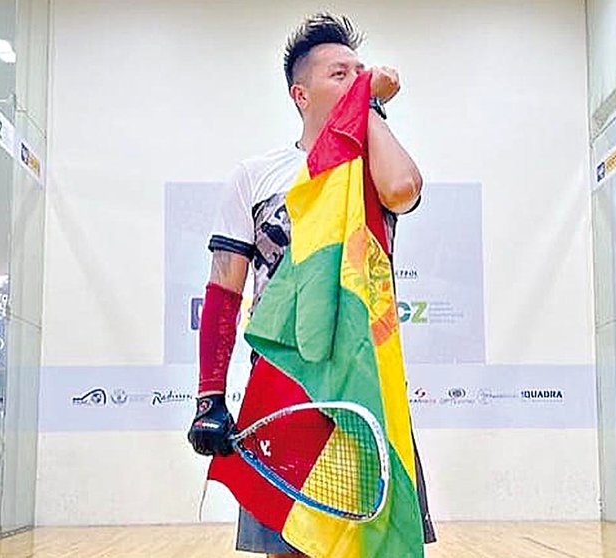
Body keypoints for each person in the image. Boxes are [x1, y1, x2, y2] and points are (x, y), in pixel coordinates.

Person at [185, 13, 433, 557]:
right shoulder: (255, 175)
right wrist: (209, 395)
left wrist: (367, 105)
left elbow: (402, 188)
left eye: (360, 72)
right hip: (286, 389)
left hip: (364, 386)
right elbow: (224, 289)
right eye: (339, 74)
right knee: (289, 548)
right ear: (301, 95)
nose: (355, 79)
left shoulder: (373, 163)